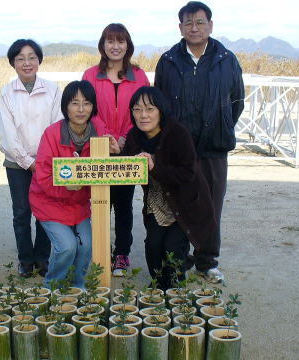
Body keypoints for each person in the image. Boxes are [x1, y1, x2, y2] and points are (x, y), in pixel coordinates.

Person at [154, 1, 245, 283]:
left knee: (211, 205)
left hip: (213, 147)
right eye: (188, 23)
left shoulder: (226, 59)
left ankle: (207, 261)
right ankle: (181, 257)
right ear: (180, 27)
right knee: (178, 201)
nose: (194, 27)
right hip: (179, 149)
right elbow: (159, 103)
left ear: (210, 25)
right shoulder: (168, 60)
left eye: (200, 22)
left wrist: (221, 126)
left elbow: (236, 102)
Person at [110, 86, 215, 290]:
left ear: (161, 110)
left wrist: (154, 166)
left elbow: (187, 174)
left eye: (150, 109)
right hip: (156, 204)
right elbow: (128, 165)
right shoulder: (135, 136)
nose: (143, 115)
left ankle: (174, 290)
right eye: (137, 109)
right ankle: (159, 285)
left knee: (173, 248)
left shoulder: (177, 133)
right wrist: (117, 153)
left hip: (183, 204)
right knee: (153, 247)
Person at [82, 23, 150, 277]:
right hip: (98, 147)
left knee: (123, 204)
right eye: (110, 41)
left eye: (120, 41)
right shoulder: (90, 75)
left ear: (128, 45)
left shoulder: (139, 75)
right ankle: (99, 253)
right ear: (102, 45)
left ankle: (121, 254)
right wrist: (106, 136)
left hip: (129, 147)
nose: (115, 46)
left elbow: (145, 109)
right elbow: (86, 109)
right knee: (100, 202)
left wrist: (125, 138)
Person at [29, 80, 110, 289]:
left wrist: (114, 146)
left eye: (87, 103)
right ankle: (53, 287)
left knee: (86, 246)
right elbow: (44, 176)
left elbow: (102, 170)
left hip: (79, 204)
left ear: (94, 106)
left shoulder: (99, 129)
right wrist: (66, 187)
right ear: (66, 106)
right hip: (49, 202)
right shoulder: (52, 133)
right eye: (75, 103)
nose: (81, 109)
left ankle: (77, 285)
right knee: (66, 247)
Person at [0, 39, 62, 278]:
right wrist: (28, 161)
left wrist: (42, 161)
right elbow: (8, 134)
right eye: (21, 58)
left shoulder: (53, 90)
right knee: (22, 212)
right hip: (17, 163)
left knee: (45, 211)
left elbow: (57, 127)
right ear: (13, 62)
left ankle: (43, 258)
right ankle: (25, 260)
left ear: (39, 60)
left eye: (32, 57)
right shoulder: (6, 92)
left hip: (47, 162)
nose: (27, 63)